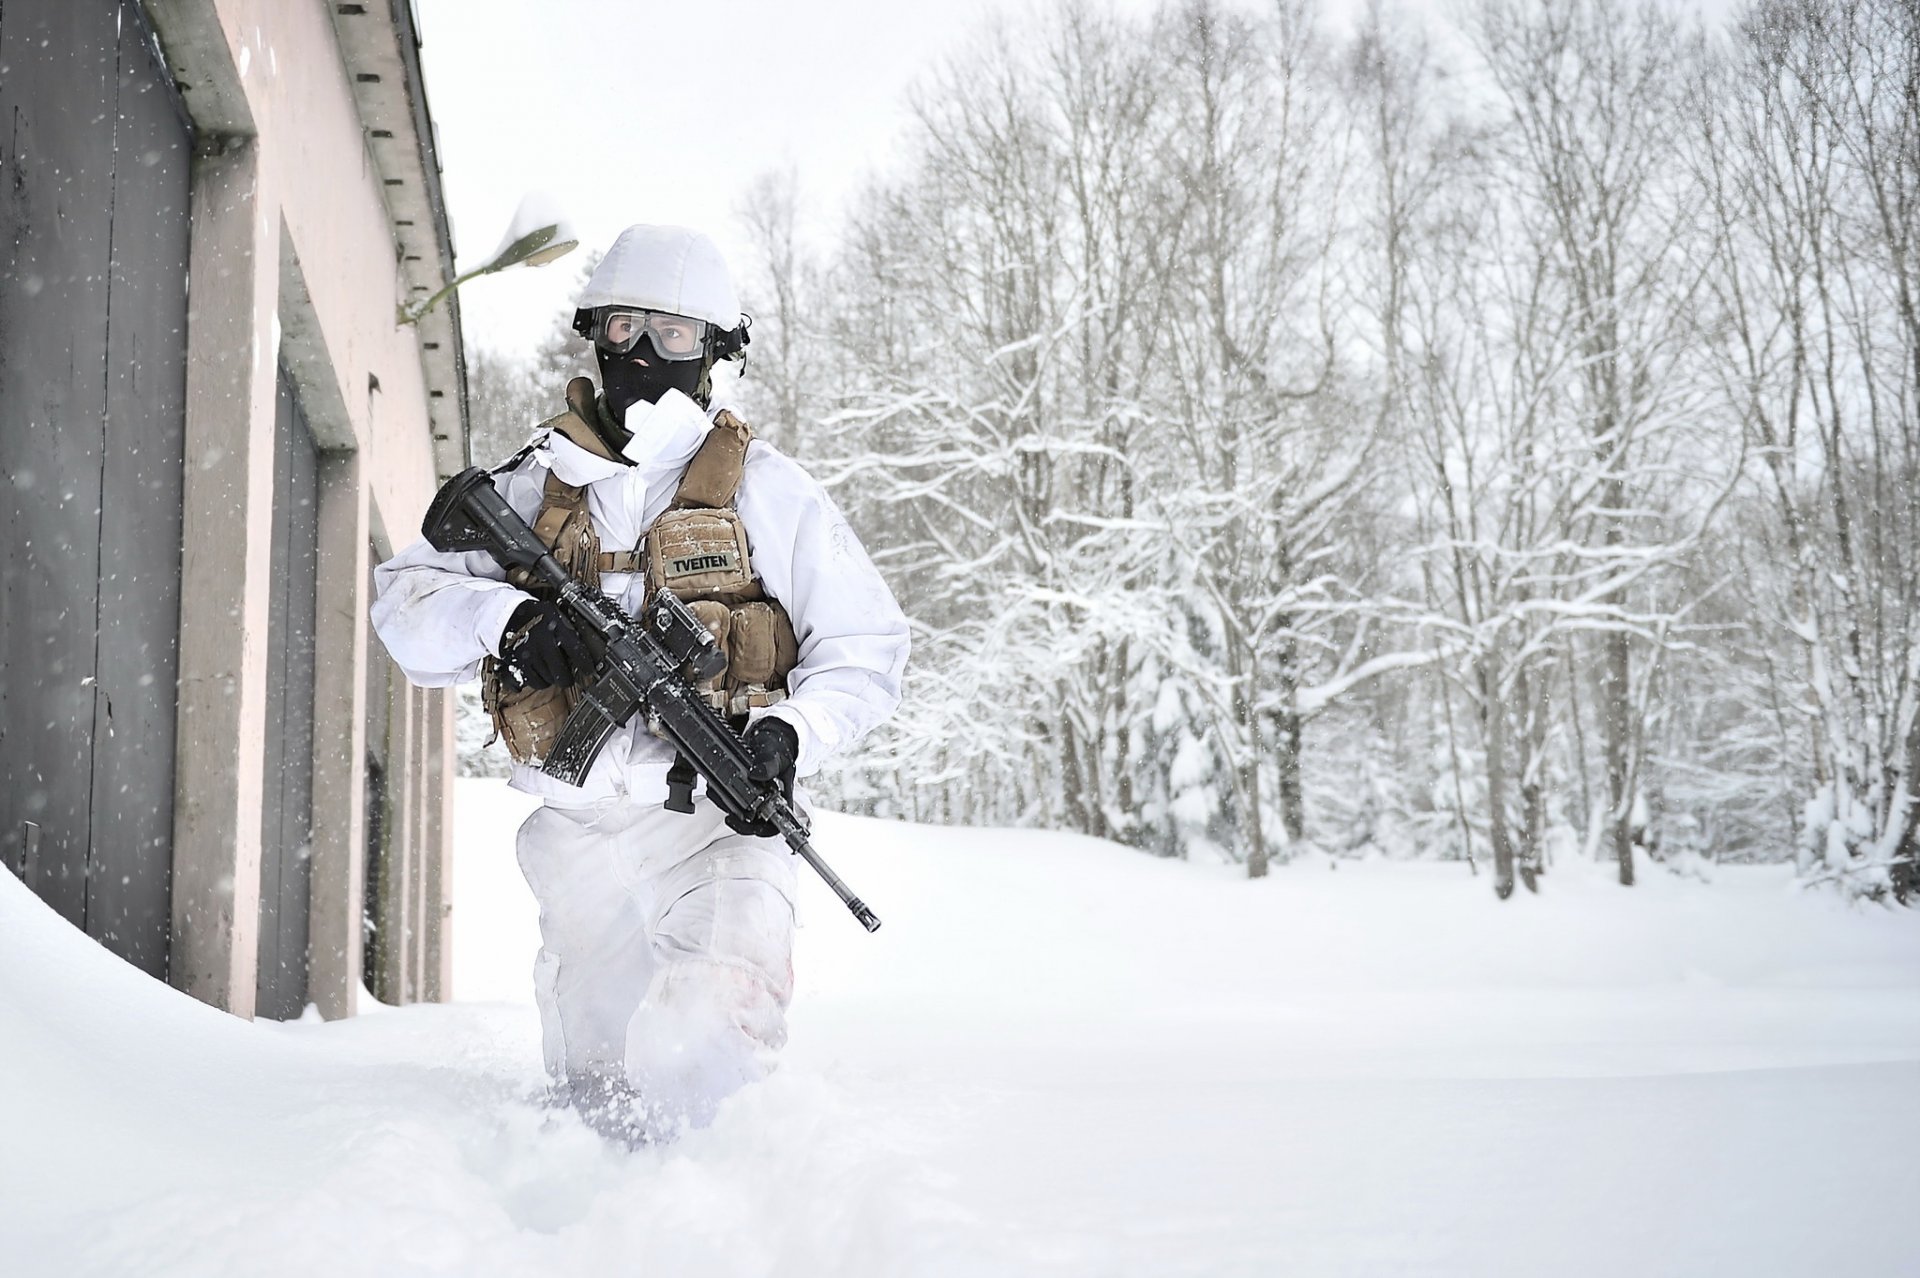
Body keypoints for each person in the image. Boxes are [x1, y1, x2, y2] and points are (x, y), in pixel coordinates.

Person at [370, 224, 909, 1142]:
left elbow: (866, 647)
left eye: (675, 336)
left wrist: (791, 735)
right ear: (594, 336)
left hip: (719, 829)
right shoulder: (532, 486)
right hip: (580, 838)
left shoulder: (768, 494)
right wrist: (508, 623)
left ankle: (721, 1226)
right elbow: (402, 607)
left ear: (716, 355)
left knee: (715, 1045)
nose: (645, 356)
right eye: (625, 329)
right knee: (599, 1093)